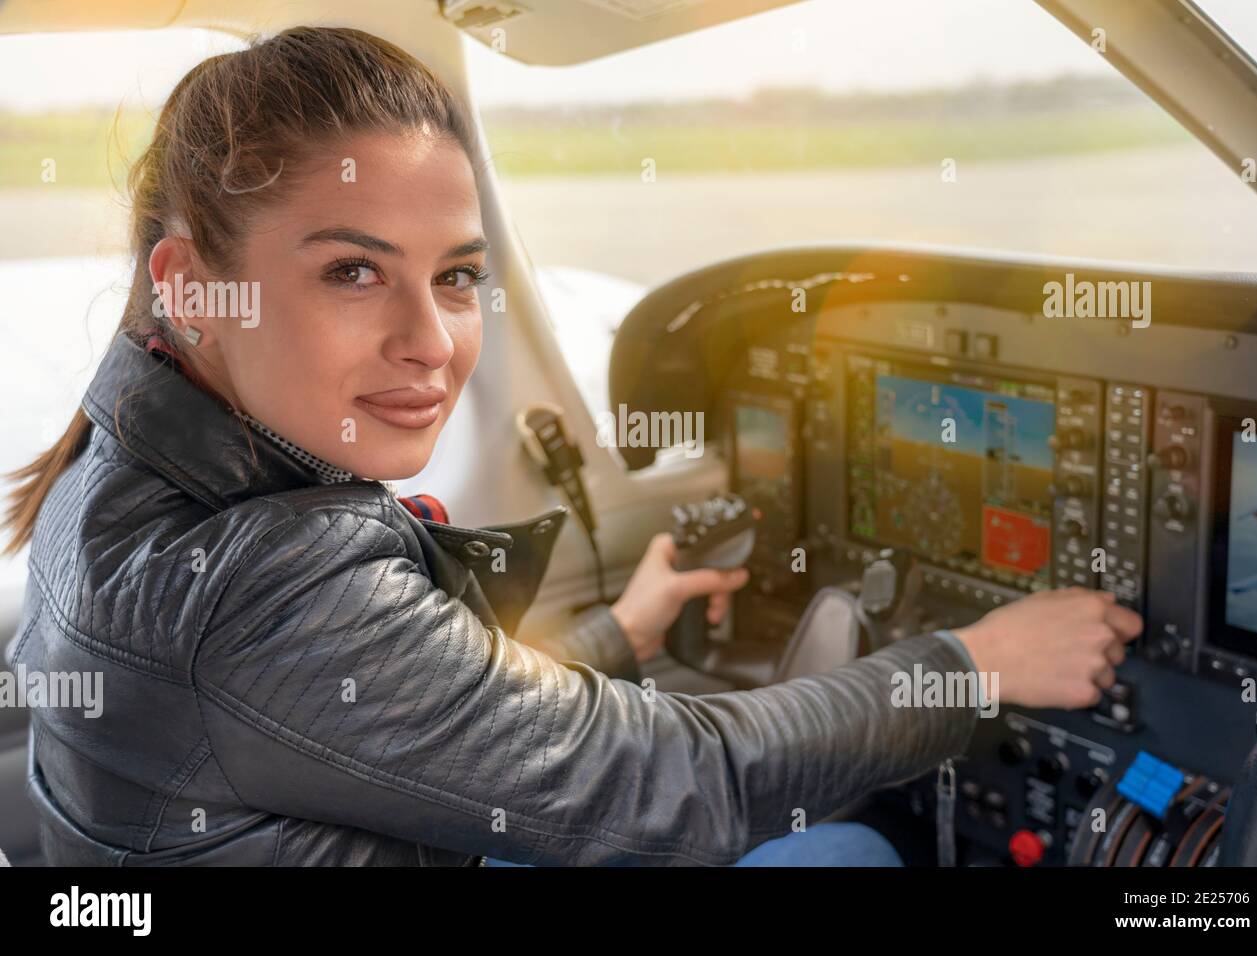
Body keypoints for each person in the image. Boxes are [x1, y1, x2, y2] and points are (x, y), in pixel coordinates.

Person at [1, 25, 1140, 867]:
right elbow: (682, 783)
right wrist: (977, 661)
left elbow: (386, 726)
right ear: (193, 285)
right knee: (849, 854)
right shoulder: (264, 580)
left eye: (455, 277)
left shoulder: (113, 471)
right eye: (351, 270)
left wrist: (617, 634)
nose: (432, 343)